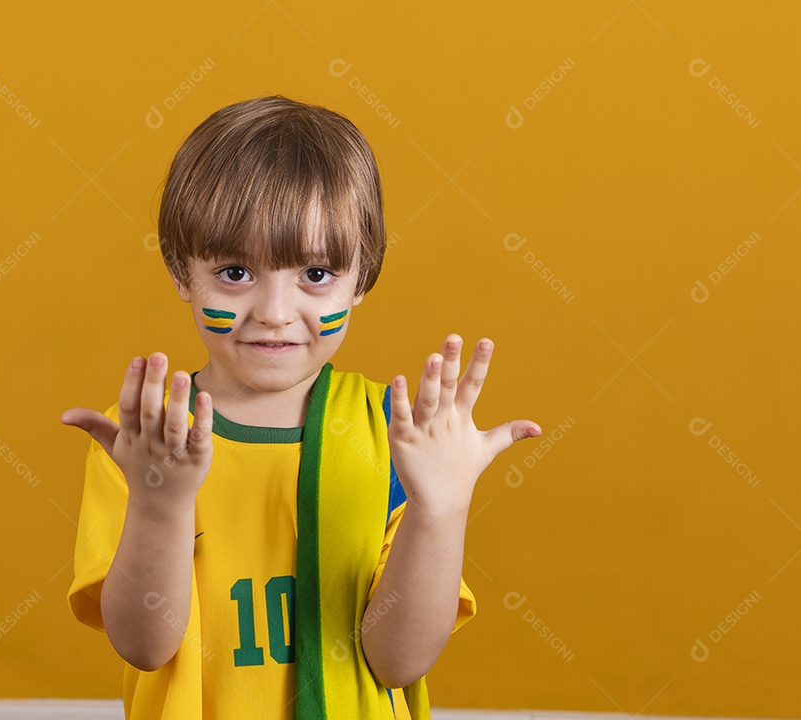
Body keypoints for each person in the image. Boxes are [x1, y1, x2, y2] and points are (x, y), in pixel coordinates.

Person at [61, 95, 541, 720]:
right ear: (183, 272)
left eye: (315, 274)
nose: (275, 312)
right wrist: (161, 504)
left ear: (361, 277)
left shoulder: (401, 438)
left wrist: (441, 507)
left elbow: (398, 662)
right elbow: (145, 646)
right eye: (234, 273)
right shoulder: (148, 441)